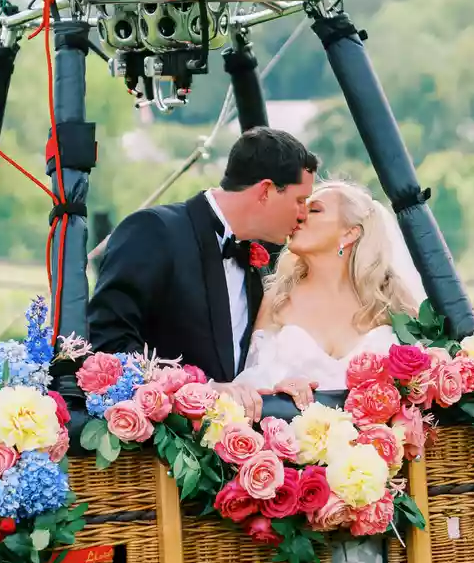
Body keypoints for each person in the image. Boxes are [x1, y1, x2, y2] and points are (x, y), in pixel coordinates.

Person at [87, 128, 318, 396]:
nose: (303, 214)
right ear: (266, 190)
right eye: (300, 200)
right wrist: (200, 391)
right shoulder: (154, 230)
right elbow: (108, 341)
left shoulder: (258, 257)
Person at [235, 179, 420, 399]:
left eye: (314, 210)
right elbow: (249, 383)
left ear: (349, 234)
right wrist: (279, 387)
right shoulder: (278, 296)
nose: (299, 216)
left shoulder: (390, 297)